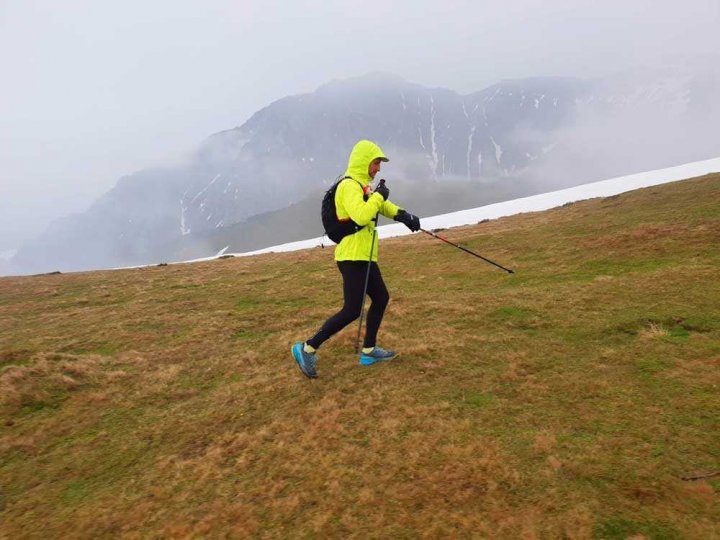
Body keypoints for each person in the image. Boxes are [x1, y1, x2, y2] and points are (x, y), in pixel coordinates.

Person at [291, 140, 420, 378]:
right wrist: (379, 197)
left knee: (381, 298)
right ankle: (307, 348)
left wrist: (403, 215)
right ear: (364, 162)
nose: (379, 168)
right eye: (376, 163)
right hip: (352, 256)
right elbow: (362, 215)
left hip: (365, 255)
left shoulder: (364, 186)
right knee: (351, 310)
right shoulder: (349, 186)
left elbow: (381, 205)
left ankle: (369, 350)